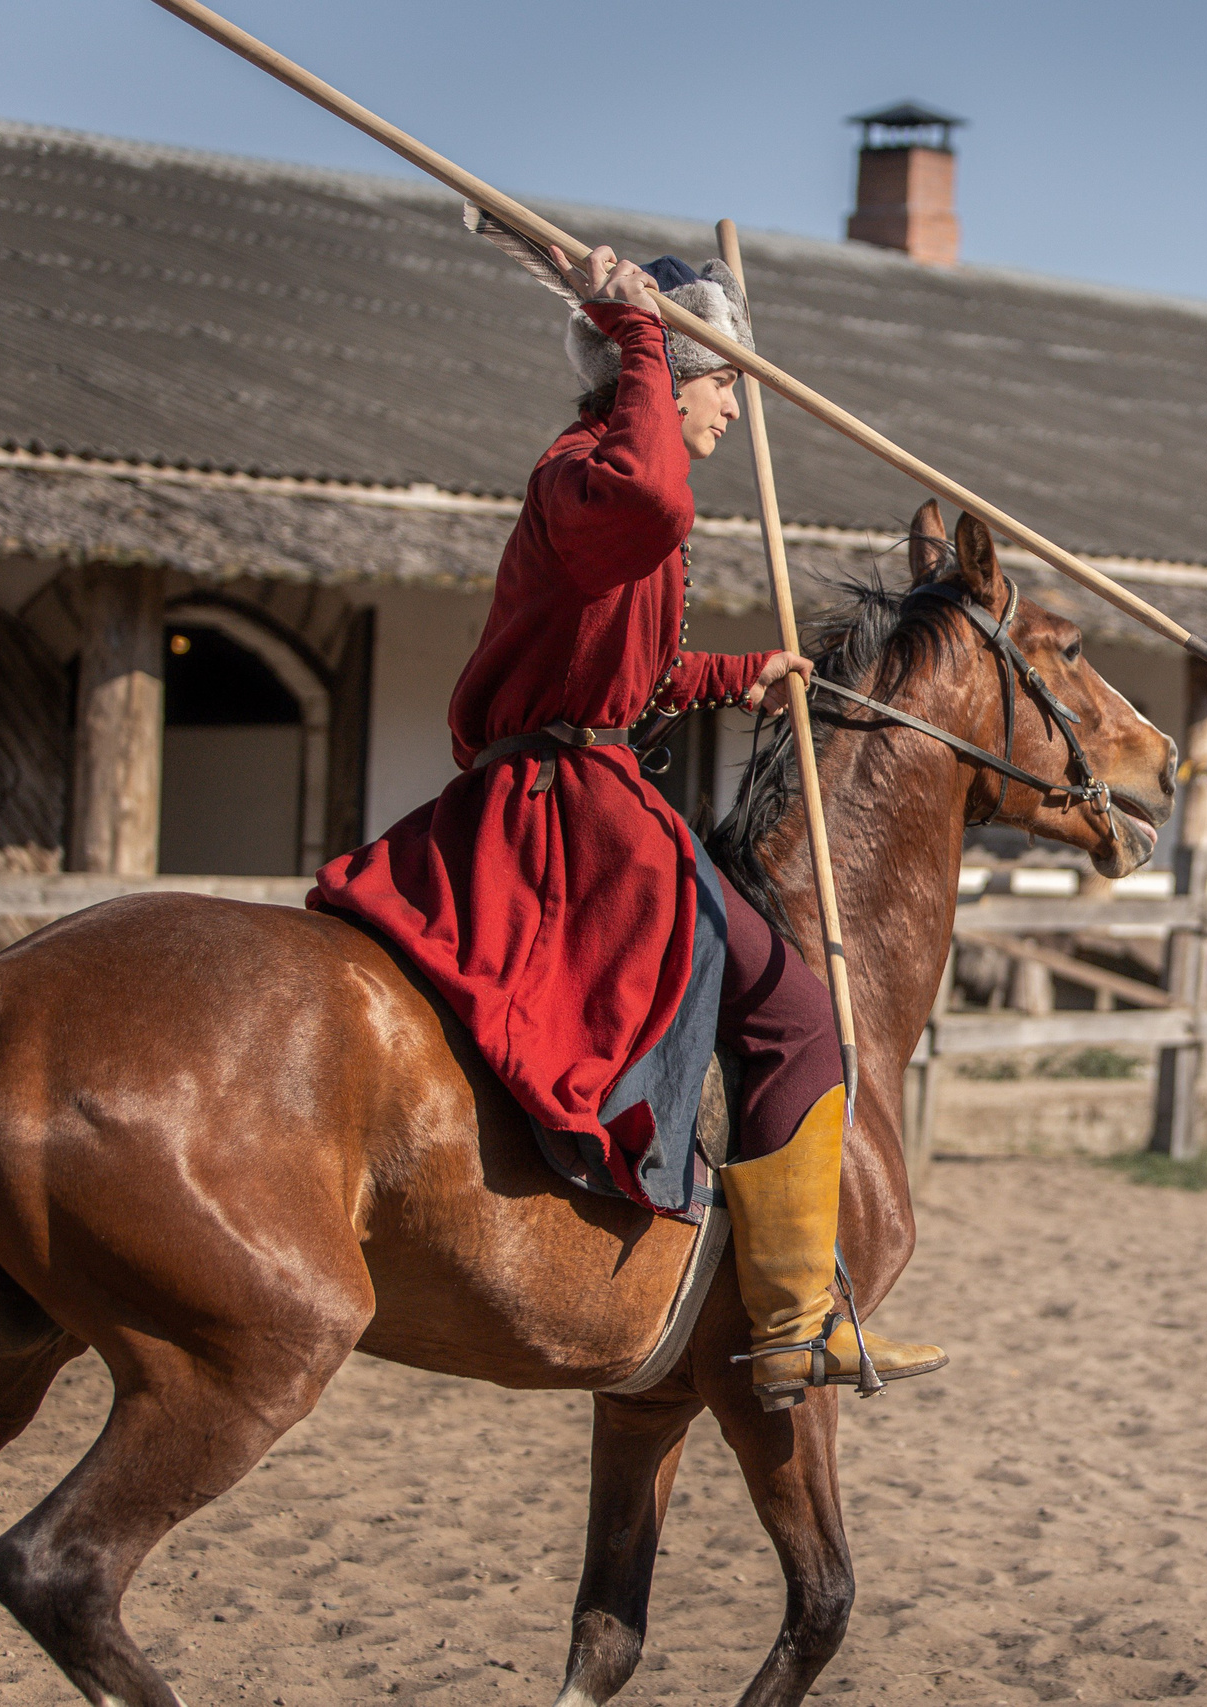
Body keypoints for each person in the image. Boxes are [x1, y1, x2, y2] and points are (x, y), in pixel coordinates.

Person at [312, 244, 942, 1409]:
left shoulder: (590, 485)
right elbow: (657, 495)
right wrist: (649, 331)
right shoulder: (596, 479)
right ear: (661, 376)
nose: (731, 402)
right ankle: (798, 1319)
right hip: (570, 814)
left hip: (580, 779)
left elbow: (624, 675)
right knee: (802, 1016)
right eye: (720, 381)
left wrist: (743, 671)